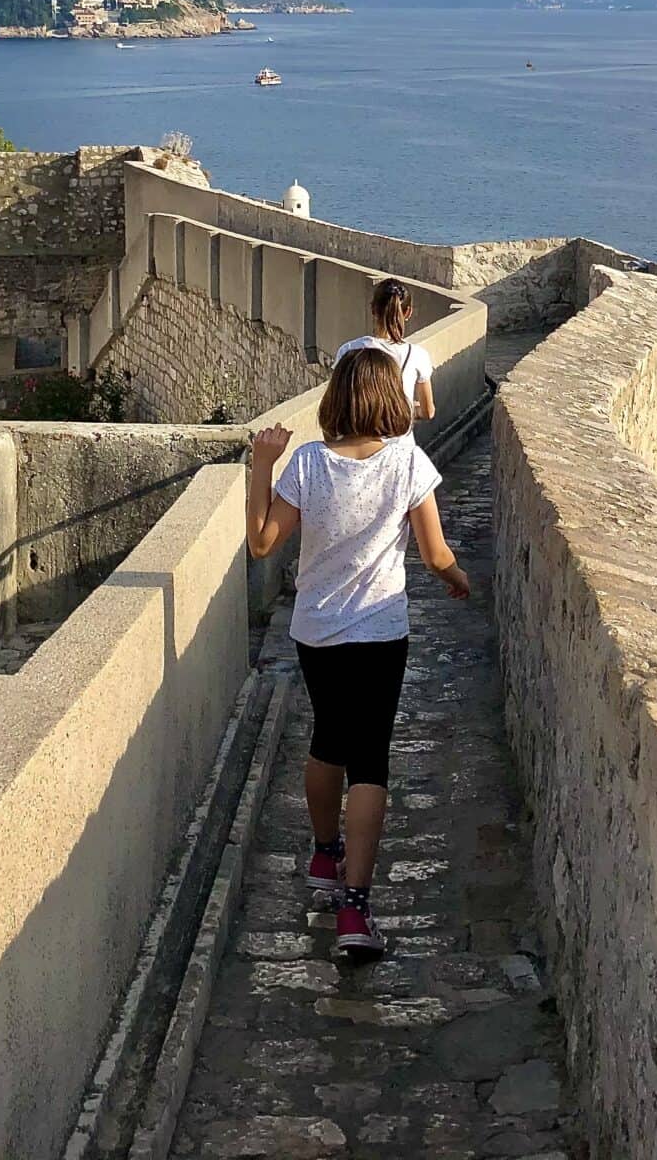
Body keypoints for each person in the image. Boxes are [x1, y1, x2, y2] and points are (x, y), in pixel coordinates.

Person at [245, 345, 468, 962]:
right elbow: (434, 554)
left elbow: (262, 544)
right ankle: (355, 910)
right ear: (390, 400)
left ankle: (324, 854)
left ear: (338, 398)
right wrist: (460, 581)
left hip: (316, 631)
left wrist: (262, 464)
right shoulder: (408, 464)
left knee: (327, 740)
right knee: (369, 759)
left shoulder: (309, 465)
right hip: (378, 633)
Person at [335, 277, 435, 425]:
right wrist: (407, 408)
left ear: (373, 310)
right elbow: (428, 412)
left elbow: (338, 406)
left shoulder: (348, 350)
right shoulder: (417, 355)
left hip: (360, 443)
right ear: (408, 313)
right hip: (400, 444)